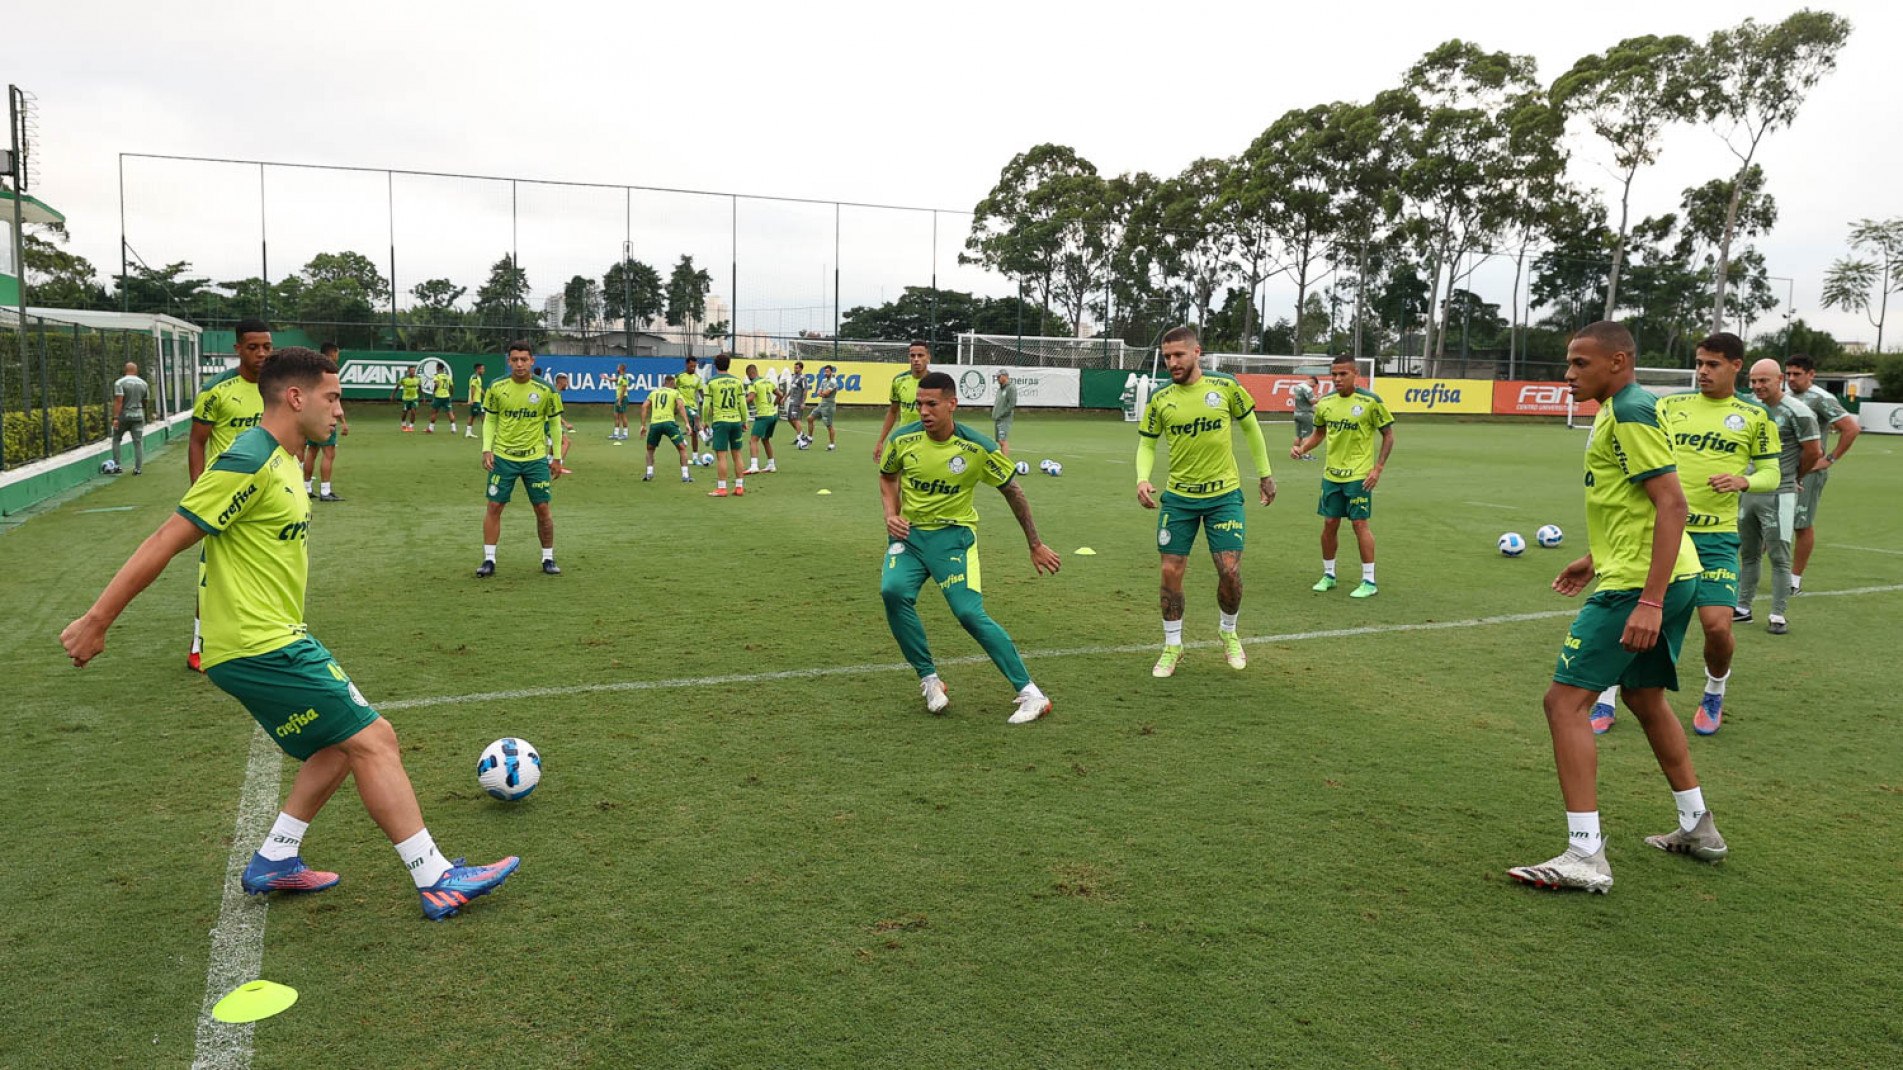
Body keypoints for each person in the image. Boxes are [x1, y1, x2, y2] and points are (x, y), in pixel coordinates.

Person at [60, 346, 521, 920]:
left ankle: (276, 857)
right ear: (295, 397)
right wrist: (97, 620)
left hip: (270, 637)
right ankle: (436, 877)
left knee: (335, 744)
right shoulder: (249, 456)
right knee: (375, 738)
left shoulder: (285, 459)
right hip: (260, 644)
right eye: (332, 398)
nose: (339, 411)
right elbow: (167, 538)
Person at [1507, 321, 1725, 895]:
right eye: (1568, 362)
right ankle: (1697, 824)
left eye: (1581, 363)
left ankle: (1584, 854)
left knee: (1564, 703)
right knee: (1643, 696)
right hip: (1660, 572)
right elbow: (1637, 507)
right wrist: (1592, 556)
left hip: (1642, 585)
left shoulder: (1629, 410)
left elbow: (1672, 504)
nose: (1568, 373)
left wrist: (1647, 599)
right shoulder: (1618, 406)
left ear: (1619, 361)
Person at [1594, 333, 1779, 737]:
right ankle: (1606, 692)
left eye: (1713, 364)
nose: (1703, 371)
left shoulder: (1755, 416)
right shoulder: (1667, 406)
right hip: (1661, 532)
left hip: (1715, 540)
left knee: (1717, 627)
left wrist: (1742, 481)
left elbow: (1772, 472)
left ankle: (1715, 689)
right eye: (1699, 363)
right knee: (1632, 613)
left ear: (1736, 366)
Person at [880, 370, 1062, 724]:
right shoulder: (902, 440)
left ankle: (1031, 693)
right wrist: (891, 514)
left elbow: (1014, 491)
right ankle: (930, 680)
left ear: (952, 404)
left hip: (953, 539)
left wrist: (1035, 544)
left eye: (932, 404)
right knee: (893, 591)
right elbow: (887, 477)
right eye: (919, 404)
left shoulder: (978, 447)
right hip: (910, 537)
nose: (924, 411)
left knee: (968, 613)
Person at [1135, 326, 1277, 678]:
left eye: (1178, 355)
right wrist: (1142, 477)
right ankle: (1172, 645)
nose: (1172, 362)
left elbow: (1251, 429)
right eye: (1167, 357)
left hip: (1224, 497)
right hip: (1179, 499)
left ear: (1196, 351)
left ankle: (1228, 633)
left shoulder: (1225, 386)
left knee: (1229, 571)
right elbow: (1148, 443)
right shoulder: (1161, 398)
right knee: (1170, 571)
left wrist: (1265, 473)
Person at [186, 319, 271, 672]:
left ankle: (262, 638)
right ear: (238, 349)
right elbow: (197, 441)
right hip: (225, 496)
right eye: (254, 347)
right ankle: (199, 644)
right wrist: (198, 493)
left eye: (267, 346)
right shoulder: (217, 389)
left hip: (268, 498)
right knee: (213, 572)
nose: (262, 353)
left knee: (268, 567)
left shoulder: (279, 387)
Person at [1292, 355, 1394, 598]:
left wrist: (1377, 468)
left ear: (1355, 373)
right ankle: (1329, 575)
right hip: (1331, 475)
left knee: (1360, 524)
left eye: (1343, 374)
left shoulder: (1370, 401)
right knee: (1329, 524)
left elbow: (1388, 435)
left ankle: (1369, 580)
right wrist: (1302, 448)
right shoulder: (1325, 403)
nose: (1337, 379)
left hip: (1359, 475)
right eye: (1334, 374)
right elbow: (1319, 433)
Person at [1736, 359, 1821, 635]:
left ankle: (1777, 614)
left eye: (1764, 380)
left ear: (1779, 379)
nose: (1758, 386)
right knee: (1748, 553)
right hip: (1749, 490)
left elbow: (1812, 452)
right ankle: (1743, 607)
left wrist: (1794, 478)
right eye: (1754, 381)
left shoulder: (1798, 411)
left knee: (1779, 555)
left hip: (1780, 493)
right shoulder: (1749, 406)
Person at [478, 343, 565, 577]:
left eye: (523, 359)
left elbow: (555, 424)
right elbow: (490, 420)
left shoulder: (546, 390)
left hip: (535, 459)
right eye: (515, 359)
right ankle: (489, 560)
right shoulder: (497, 387)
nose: (519, 364)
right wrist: (487, 449)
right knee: (494, 506)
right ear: (509, 361)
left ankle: (548, 558)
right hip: (503, 458)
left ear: (532, 361)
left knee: (542, 508)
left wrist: (556, 457)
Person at [1784, 355, 1860, 594]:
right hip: (1782, 469)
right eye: (1789, 374)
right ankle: (1754, 572)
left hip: (1808, 472)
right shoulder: (1784, 397)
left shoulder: (1820, 399)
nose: (1791, 378)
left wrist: (1829, 459)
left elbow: (1851, 428)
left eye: (1797, 374)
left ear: (1811, 374)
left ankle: (1794, 579)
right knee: (1771, 520)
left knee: (1801, 524)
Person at [301, 343, 349, 502]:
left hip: (311, 418)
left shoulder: (313, 372)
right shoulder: (331, 373)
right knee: (329, 454)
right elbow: (334, 399)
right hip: (325, 418)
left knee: (312, 451)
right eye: (337, 353)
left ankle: (306, 488)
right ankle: (325, 491)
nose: (338, 356)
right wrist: (343, 421)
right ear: (333, 353)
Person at [702, 353, 751, 497]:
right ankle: (739, 487)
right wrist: (744, 421)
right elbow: (742, 404)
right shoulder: (737, 382)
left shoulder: (711, 382)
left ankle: (722, 488)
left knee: (722, 456)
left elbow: (706, 405)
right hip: (735, 421)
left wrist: (705, 421)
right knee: (737, 455)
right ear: (729, 365)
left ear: (716, 365)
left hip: (721, 422)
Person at [873, 340, 931, 461]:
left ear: (928, 357)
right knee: (892, 477)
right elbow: (893, 412)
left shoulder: (936, 382)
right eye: (912, 355)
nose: (916, 359)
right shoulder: (899, 381)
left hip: (928, 440)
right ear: (908, 358)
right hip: (904, 439)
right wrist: (880, 441)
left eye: (920, 355)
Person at [641, 374, 693, 483]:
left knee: (650, 449)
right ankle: (685, 475)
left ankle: (649, 472)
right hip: (669, 423)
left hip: (655, 424)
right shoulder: (675, 393)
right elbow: (680, 406)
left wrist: (643, 425)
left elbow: (644, 406)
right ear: (672, 383)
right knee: (682, 448)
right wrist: (687, 423)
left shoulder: (654, 393)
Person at [110, 361, 149, 475]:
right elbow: (145, 401)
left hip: (124, 416)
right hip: (138, 416)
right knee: (138, 442)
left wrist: (115, 418)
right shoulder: (144, 384)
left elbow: (119, 401)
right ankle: (138, 469)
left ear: (125, 370)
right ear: (136, 371)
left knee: (116, 439)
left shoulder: (120, 383)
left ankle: (117, 466)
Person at [744, 363, 784, 475]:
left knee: (753, 440)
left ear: (750, 373)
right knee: (765, 439)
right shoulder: (768, 382)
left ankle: (754, 466)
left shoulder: (754, 384)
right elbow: (781, 395)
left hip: (763, 416)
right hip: (773, 415)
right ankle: (771, 465)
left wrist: (740, 403)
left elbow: (751, 398)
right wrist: (774, 404)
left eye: (748, 376)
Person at [806, 364, 840, 451]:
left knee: (829, 425)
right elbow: (819, 392)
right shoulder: (824, 380)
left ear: (832, 372)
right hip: (822, 404)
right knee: (810, 418)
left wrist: (822, 394)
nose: (826, 373)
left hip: (829, 406)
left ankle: (832, 444)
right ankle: (809, 438)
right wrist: (822, 394)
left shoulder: (833, 381)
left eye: (828, 371)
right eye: (825, 371)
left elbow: (826, 393)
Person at [550, 373, 579, 474]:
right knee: (566, 442)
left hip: (547, 423)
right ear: (561, 382)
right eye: (566, 382)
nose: (568, 384)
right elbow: (555, 414)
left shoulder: (555, 392)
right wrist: (566, 424)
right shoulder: (555, 394)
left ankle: (549, 463)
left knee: (555, 444)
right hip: (549, 424)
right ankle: (558, 465)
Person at [676, 356, 704, 456]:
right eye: (691, 366)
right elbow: (672, 388)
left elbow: (701, 392)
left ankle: (695, 457)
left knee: (694, 433)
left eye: (694, 366)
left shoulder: (697, 378)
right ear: (686, 364)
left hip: (694, 406)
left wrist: (706, 404)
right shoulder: (679, 376)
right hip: (683, 405)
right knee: (696, 417)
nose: (693, 368)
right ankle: (705, 437)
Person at [1290, 375, 1320, 459]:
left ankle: (1295, 452)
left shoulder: (1297, 387)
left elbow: (1297, 398)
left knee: (1298, 435)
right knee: (1307, 435)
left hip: (1297, 413)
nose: (1313, 388)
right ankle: (1306, 454)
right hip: (1306, 414)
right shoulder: (1307, 389)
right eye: (1313, 386)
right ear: (1312, 381)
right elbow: (1312, 401)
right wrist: (1320, 398)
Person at [784, 361, 811, 448]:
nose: (795, 369)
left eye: (797, 368)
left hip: (797, 403)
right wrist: (785, 397)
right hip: (791, 401)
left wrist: (803, 402)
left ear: (801, 369)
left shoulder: (803, 378)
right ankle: (801, 434)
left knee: (796, 419)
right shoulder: (794, 376)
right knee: (789, 419)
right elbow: (791, 389)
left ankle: (800, 438)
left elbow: (805, 390)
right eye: (794, 367)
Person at [992, 369, 1018, 454]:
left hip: (1004, 419)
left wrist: (1002, 414)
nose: (998, 379)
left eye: (999, 377)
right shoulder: (1000, 389)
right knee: (999, 441)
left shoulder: (1011, 388)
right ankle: (1002, 460)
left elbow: (1011, 404)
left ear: (1005, 376)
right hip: (998, 418)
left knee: (1002, 441)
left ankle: (1005, 463)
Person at [426, 364, 455, 434]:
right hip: (446, 396)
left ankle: (431, 428)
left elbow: (437, 384)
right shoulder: (447, 376)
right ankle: (453, 428)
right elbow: (452, 386)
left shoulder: (437, 376)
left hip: (438, 396)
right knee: (449, 412)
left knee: (434, 412)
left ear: (438, 368)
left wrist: (434, 391)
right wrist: (451, 394)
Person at [392, 365, 420, 431]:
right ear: (408, 371)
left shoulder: (418, 378)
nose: (413, 372)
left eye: (414, 370)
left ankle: (411, 426)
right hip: (406, 398)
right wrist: (393, 395)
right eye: (412, 370)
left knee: (413, 412)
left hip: (415, 398)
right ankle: (403, 425)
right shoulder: (404, 379)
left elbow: (420, 386)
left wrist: (423, 396)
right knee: (405, 412)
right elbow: (397, 387)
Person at [610, 363, 633, 442]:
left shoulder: (624, 377)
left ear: (620, 369)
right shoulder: (620, 377)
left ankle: (625, 434)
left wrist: (620, 400)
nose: (616, 369)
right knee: (616, 415)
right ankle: (616, 434)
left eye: (617, 367)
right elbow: (616, 380)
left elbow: (624, 389)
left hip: (622, 398)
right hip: (618, 398)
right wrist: (607, 378)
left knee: (623, 416)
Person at [465, 362, 487, 439]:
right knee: (483, 414)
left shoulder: (478, 377)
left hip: (476, 400)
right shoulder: (475, 377)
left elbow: (479, 388)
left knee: (472, 415)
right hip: (475, 401)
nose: (484, 370)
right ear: (478, 369)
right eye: (482, 369)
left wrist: (485, 395)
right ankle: (487, 432)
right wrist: (471, 399)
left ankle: (468, 432)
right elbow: (473, 388)